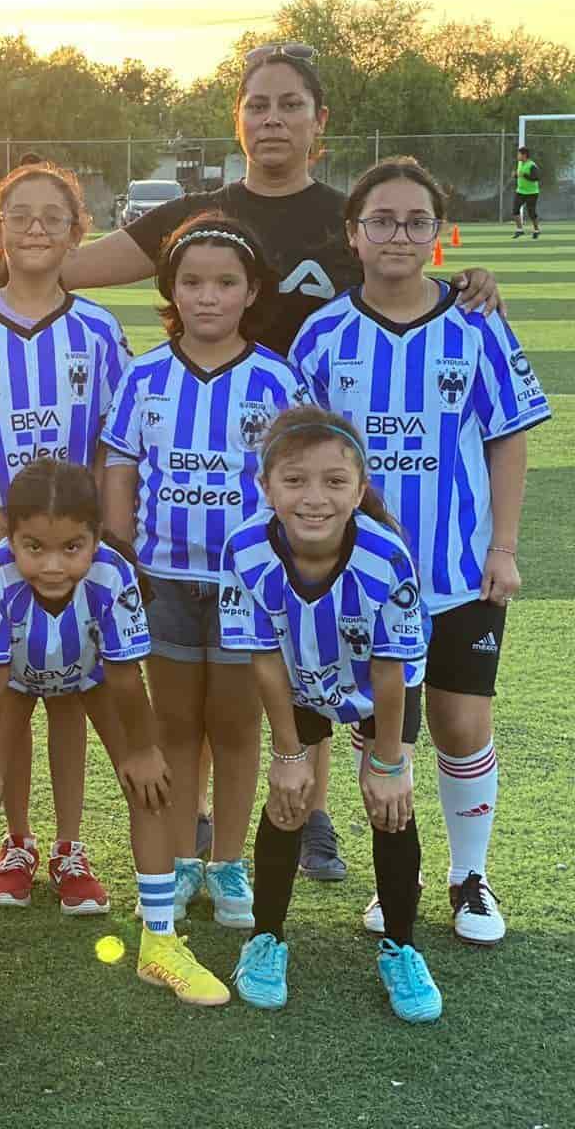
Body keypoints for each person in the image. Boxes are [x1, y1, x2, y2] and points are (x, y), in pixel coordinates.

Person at [0, 45, 504, 879]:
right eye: (257, 104)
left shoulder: (348, 218)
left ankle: (311, 814)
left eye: (290, 104)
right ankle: (194, 835)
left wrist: (471, 276)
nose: (272, 118)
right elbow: (53, 263)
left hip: (289, 473)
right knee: (202, 693)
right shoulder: (190, 214)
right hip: (190, 480)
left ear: (318, 122)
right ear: (238, 117)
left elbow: (409, 266)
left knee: (307, 659)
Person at [291, 156, 551, 947]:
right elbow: (297, 458)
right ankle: (389, 880)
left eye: (415, 222)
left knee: (462, 723)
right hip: (359, 578)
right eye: (382, 221)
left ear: (439, 235)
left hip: (460, 571)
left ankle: (469, 878)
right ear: (353, 234)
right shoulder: (323, 334)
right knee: (382, 734)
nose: (398, 235)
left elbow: (507, 441)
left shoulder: (476, 323)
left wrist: (503, 548)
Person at [0, 458, 230, 1011]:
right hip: (14, 678)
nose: (53, 565)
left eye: (72, 547)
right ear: (11, 535)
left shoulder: (114, 573)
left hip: (90, 674)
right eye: (33, 546)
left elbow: (123, 675)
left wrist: (140, 751)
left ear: (94, 538)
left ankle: (159, 941)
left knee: (150, 783)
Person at [0, 163, 131, 915]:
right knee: (8, 695)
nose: (36, 227)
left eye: (53, 216)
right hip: (3, 549)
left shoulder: (99, 330)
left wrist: (101, 533)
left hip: (77, 553)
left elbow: (116, 441)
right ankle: (15, 842)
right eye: (20, 215)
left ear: (78, 232)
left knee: (72, 695)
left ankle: (70, 847)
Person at [100, 213, 309, 933]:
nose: (208, 297)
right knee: (176, 723)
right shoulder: (145, 376)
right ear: (171, 291)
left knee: (235, 725)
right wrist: (123, 553)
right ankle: (185, 851)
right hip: (163, 578)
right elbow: (121, 468)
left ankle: (228, 861)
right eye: (192, 282)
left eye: (225, 283)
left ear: (252, 292)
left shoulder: (277, 378)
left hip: (246, 585)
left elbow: (299, 476)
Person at [220, 407, 441, 1023]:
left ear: (360, 487)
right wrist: (288, 755)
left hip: (378, 687)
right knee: (288, 800)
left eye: (334, 482)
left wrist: (389, 761)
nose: (314, 498)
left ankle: (401, 945)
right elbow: (263, 655)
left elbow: (393, 668)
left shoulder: (386, 557)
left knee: (392, 808)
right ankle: (266, 938)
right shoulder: (243, 549)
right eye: (294, 481)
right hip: (298, 679)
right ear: (266, 486)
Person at [512, 146, 541, 240]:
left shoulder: (532, 165)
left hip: (532, 193)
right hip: (520, 191)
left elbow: (535, 178)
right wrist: (516, 175)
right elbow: (520, 175)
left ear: (524, 155)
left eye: (519, 154)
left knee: (531, 213)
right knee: (515, 210)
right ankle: (519, 230)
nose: (517, 156)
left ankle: (536, 230)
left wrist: (523, 175)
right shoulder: (520, 163)